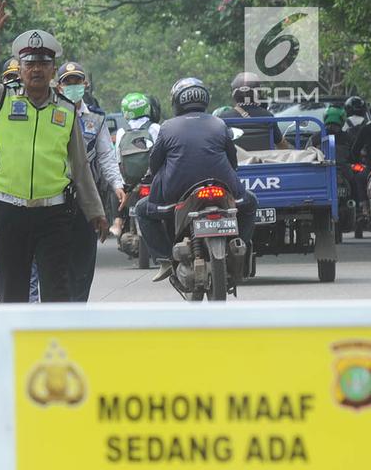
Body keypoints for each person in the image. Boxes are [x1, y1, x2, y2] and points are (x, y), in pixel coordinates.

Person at [0, 0, 107, 303]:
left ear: (53, 71)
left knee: (57, 295)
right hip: (9, 213)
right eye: (30, 63)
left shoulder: (65, 111)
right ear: (20, 69)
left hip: (54, 215)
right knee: (11, 295)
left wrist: (96, 212)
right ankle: (16, 351)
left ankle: (53, 351)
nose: (36, 69)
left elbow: (79, 166)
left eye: (43, 63)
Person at [134, 77, 256, 282]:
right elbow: (232, 162)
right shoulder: (219, 123)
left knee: (141, 209)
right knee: (251, 202)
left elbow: (155, 165)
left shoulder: (167, 127)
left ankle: (165, 258)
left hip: (176, 193)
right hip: (223, 187)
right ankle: (239, 247)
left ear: (177, 102)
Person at [57, 62, 125, 302]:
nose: (73, 86)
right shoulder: (50, 113)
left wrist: (117, 184)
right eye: (68, 82)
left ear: (85, 85)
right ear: (58, 86)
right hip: (54, 198)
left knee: (84, 260)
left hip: (87, 199)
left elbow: (106, 155)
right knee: (56, 261)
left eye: (77, 81)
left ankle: (78, 312)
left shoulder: (95, 119)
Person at [110, 91, 160, 238]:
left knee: (114, 187)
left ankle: (117, 222)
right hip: (153, 179)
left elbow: (117, 159)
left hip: (129, 181)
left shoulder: (121, 132)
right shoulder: (156, 128)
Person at [217, 71, 283, 151]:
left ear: (234, 94)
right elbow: (282, 145)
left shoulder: (222, 118)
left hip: (235, 163)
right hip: (262, 162)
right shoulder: (267, 116)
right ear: (257, 93)